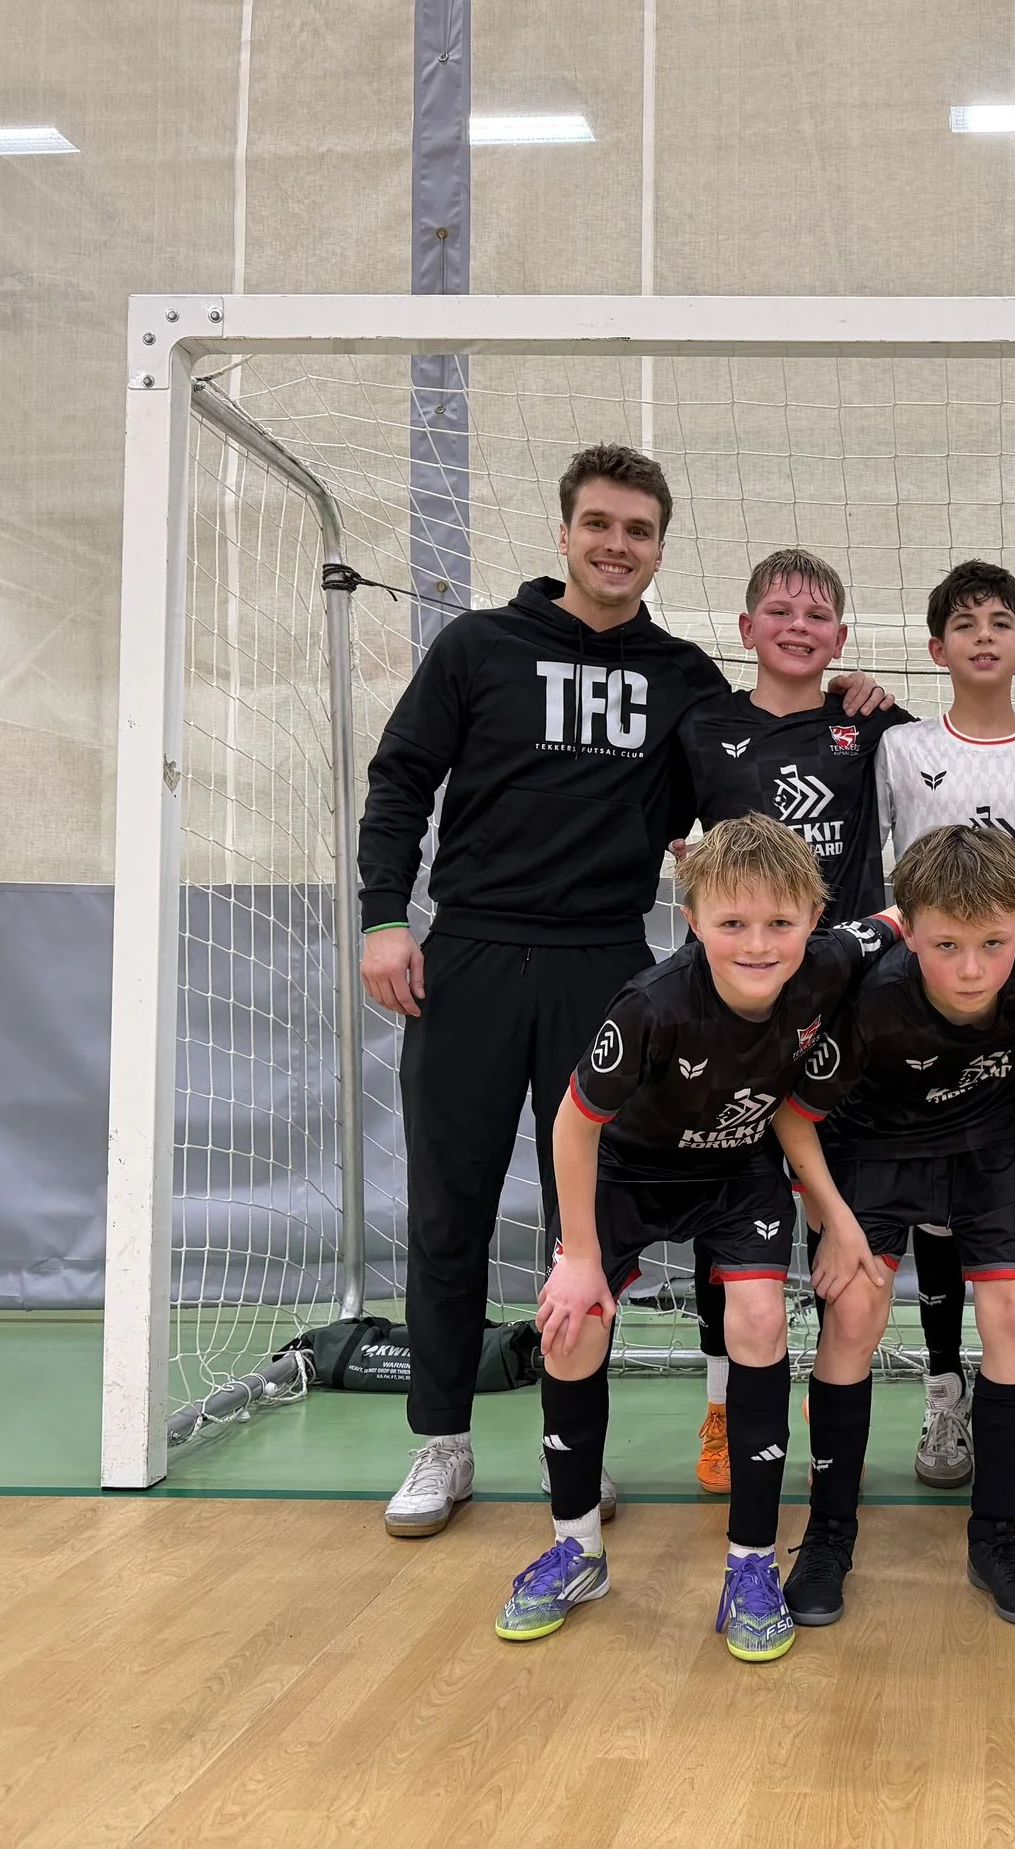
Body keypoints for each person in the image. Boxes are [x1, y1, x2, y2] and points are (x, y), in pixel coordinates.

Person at [356, 444, 895, 1540]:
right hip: (467, 952)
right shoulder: (479, 646)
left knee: (586, 1221)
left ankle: (581, 1457)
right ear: (564, 533)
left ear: (658, 548)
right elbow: (402, 776)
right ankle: (441, 1440)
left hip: (605, 961)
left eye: (638, 531)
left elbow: (759, 753)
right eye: (599, 524)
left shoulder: (685, 678)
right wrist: (380, 919)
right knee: (447, 1202)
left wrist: (850, 701)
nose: (616, 545)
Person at [673, 548, 1015, 1496]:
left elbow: (1008, 762)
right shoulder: (711, 726)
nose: (798, 625)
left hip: (935, 982)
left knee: (962, 1187)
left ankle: (957, 1398)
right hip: (781, 982)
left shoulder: (871, 724)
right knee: (742, 1182)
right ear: (746, 629)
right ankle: (728, 1403)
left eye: (819, 613)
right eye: (778, 609)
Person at [501, 816, 894, 1660]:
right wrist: (576, 1258)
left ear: (813, 919)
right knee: (572, 1328)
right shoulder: (653, 1005)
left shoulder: (826, 964)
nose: (758, 944)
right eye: (732, 923)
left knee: (758, 1319)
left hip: (737, 1171)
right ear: (693, 919)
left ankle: (751, 1565)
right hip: (628, 1176)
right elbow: (574, 1125)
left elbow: (899, 922)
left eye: (781, 924)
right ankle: (577, 1547)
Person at [774, 824, 1015, 1629]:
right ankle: (829, 1535)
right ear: (909, 929)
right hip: (875, 1152)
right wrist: (834, 1220)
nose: (973, 967)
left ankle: (995, 1537)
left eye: (994, 941)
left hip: (991, 1145)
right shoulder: (870, 997)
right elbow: (795, 1118)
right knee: (854, 1311)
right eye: (947, 945)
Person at [872, 560, 1015, 1491]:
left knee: (1007, 1195)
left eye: (1001, 622)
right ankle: (944, 1389)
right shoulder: (899, 745)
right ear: (937, 649)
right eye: (964, 624)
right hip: (933, 1000)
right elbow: (873, 870)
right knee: (930, 1209)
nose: (984, 636)